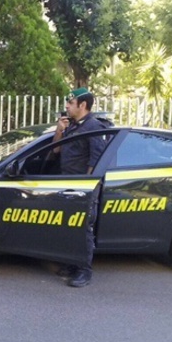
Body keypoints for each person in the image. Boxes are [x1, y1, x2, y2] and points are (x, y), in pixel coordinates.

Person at [52, 87, 107, 287]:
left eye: (70, 103)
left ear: (82, 105)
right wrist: (59, 129)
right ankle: (71, 263)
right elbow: (56, 149)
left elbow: (96, 159)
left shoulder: (93, 126)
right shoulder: (73, 126)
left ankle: (84, 270)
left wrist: (87, 187)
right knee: (69, 226)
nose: (67, 106)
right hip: (67, 184)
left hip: (82, 186)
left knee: (83, 228)